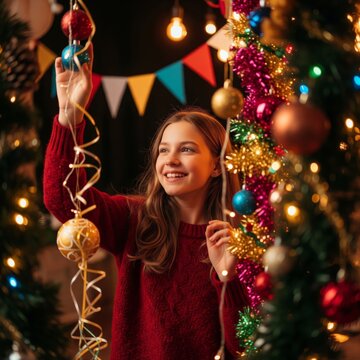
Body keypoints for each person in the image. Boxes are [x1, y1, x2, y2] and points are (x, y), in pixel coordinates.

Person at [43, 45, 249, 359]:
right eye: (164, 150)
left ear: (217, 164)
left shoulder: (238, 242)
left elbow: (247, 346)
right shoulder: (134, 219)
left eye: (187, 150)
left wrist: (228, 278)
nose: (171, 160)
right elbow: (62, 198)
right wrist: (70, 117)